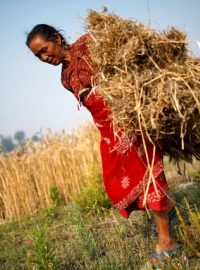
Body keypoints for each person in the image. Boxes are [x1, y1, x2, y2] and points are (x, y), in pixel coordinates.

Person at [26, 24, 179, 268]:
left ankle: (167, 242)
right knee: (117, 186)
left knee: (150, 177)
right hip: (110, 136)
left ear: (56, 37)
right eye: (38, 56)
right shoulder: (65, 78)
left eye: (44, 50)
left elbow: (124, 57)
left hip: (131, 123)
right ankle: (166, 211)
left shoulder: (89, 44)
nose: (44, 58)